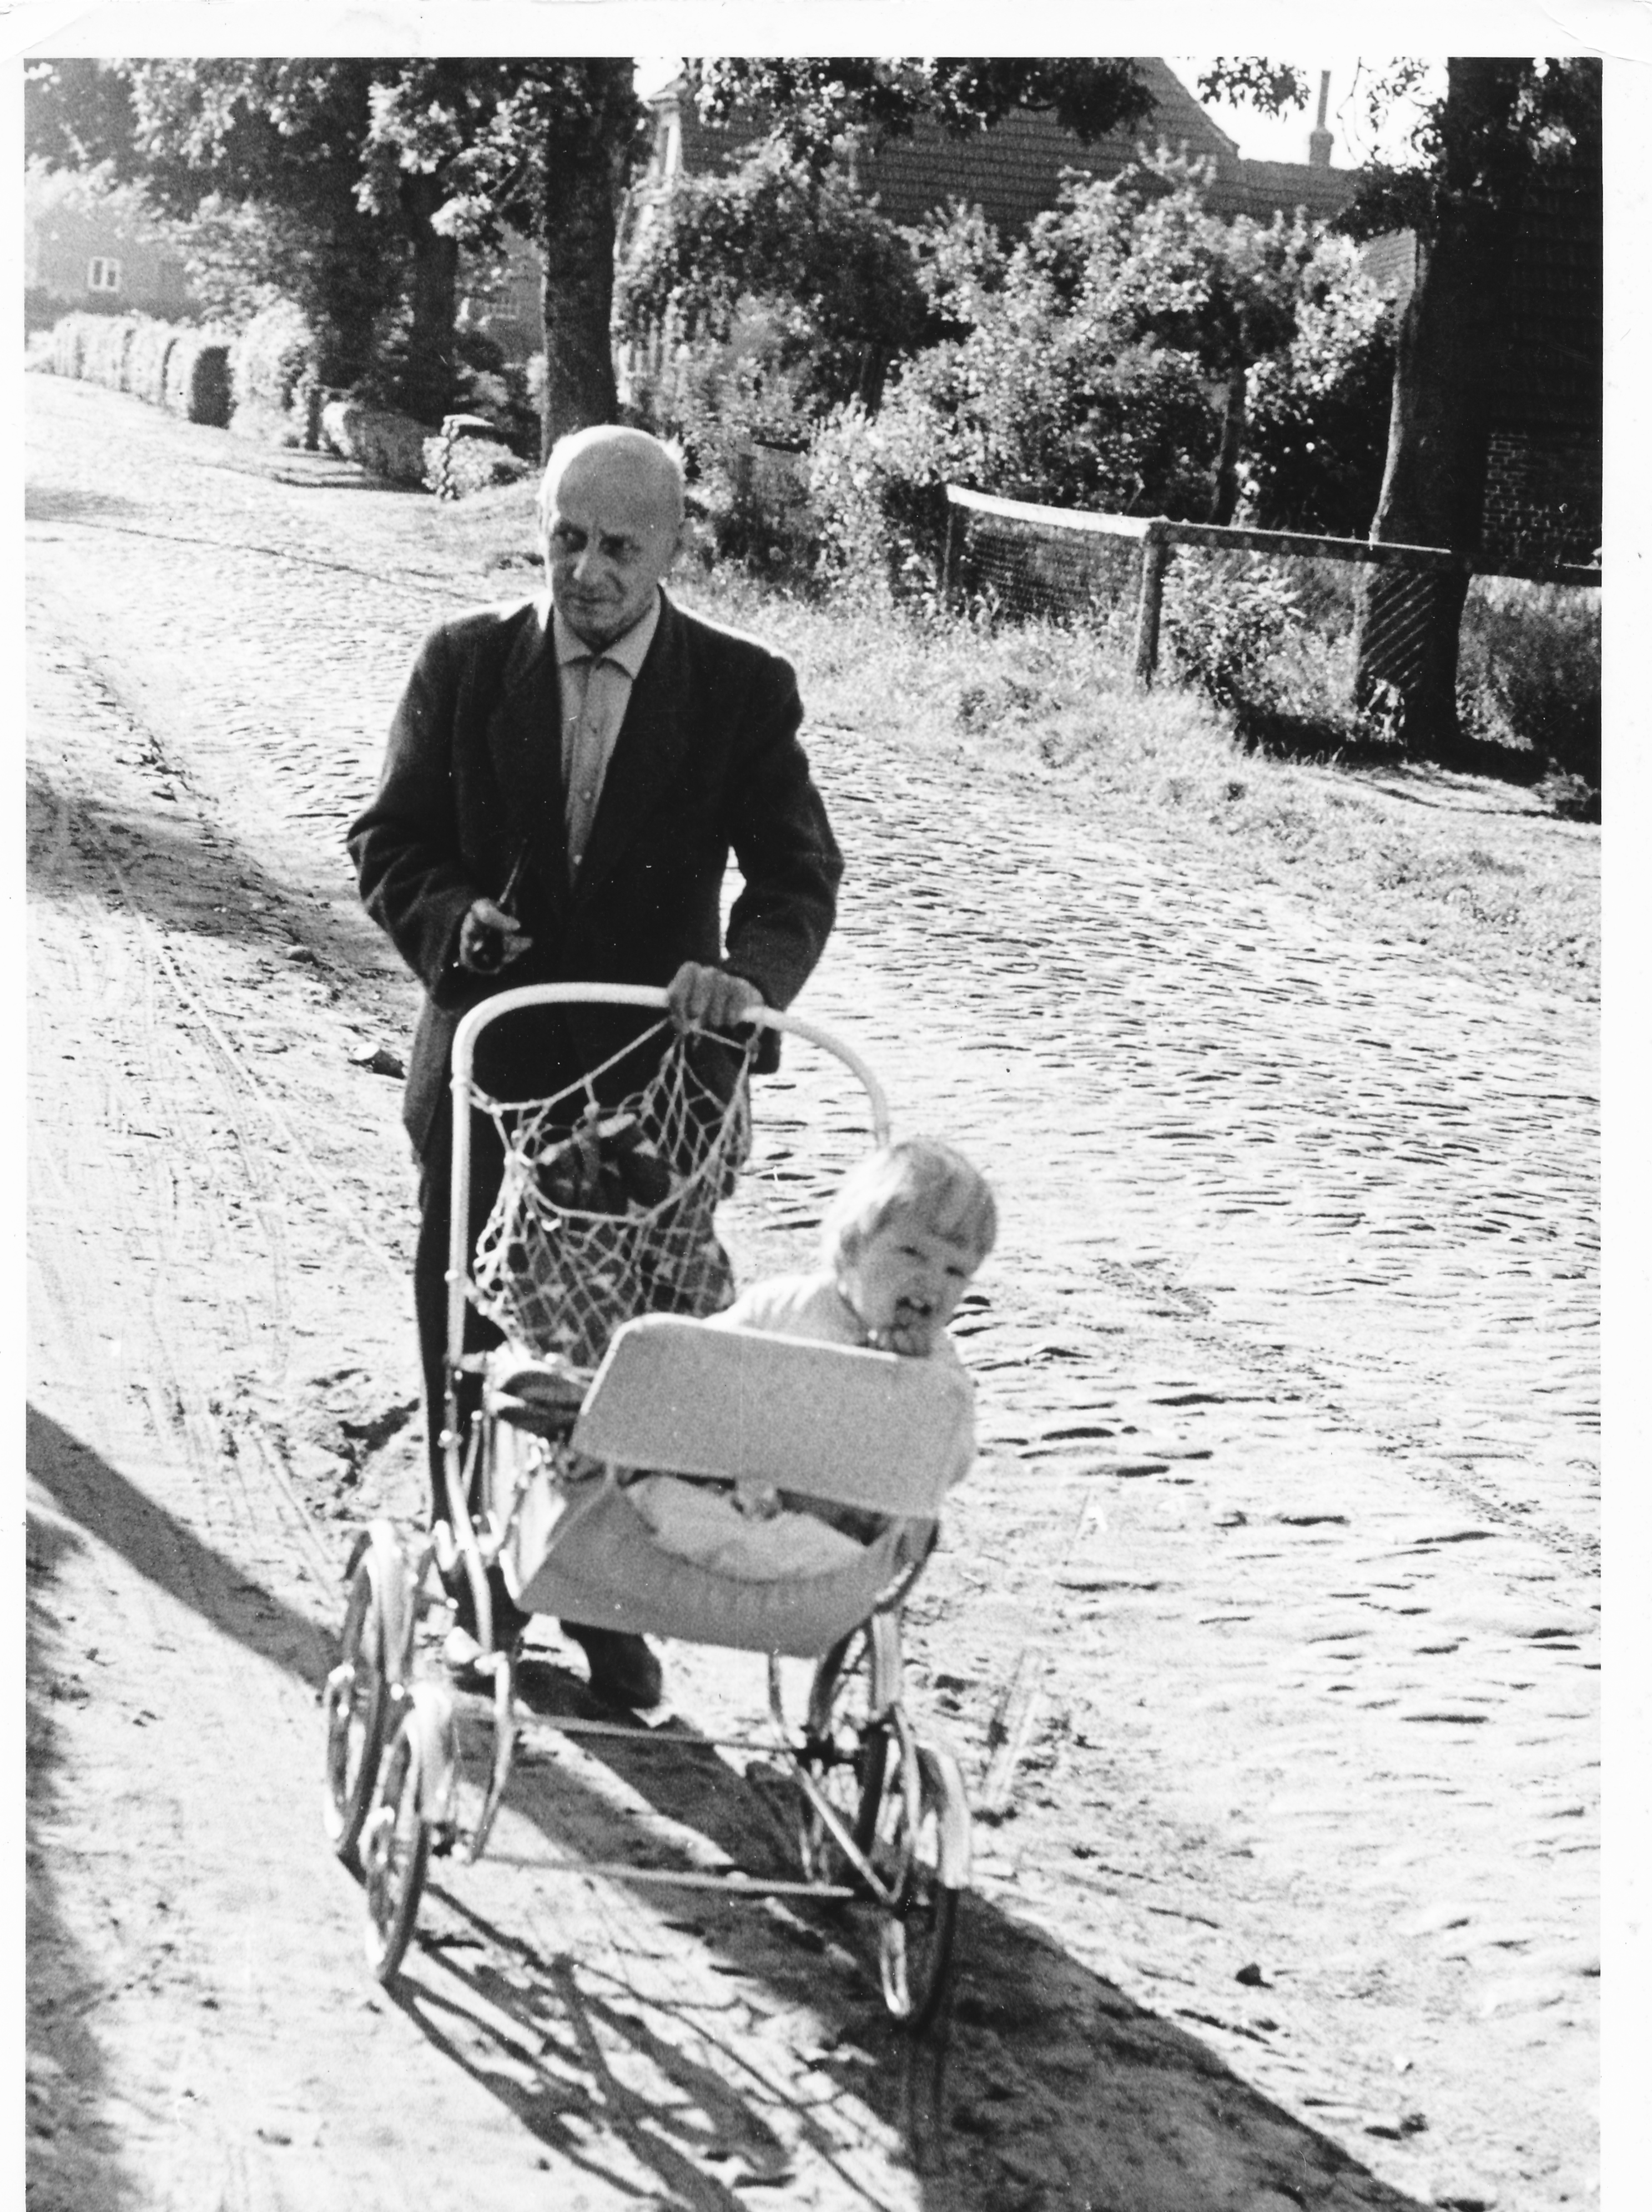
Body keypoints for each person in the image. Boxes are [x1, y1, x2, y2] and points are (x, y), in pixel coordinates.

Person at [348, 425, 843, 1707]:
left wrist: (745, 980)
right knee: (468, 1324)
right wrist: (453, 918)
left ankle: (602, 1590)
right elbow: (388, 839)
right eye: (566, 539)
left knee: (630, 1353)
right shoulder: (466, 664)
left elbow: (797, 877)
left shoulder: (739, 691)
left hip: (646, 1085)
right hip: (490, 1059)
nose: (588, 572)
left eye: (620, 547)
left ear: (671, 547)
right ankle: (473, 1568)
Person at [625, 1138, 998, 1583]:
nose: (932, 1279)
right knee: (655, 1499)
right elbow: (698, 1365)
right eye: (913, 1253)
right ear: (854, 1245)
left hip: (838, 1527)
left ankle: (763, 1552)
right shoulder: (785, 1307)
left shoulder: (936, 1360)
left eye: (956, 1271)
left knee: (845, 1550)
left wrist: (914, 1384)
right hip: (741, 1493)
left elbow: (951, 1462)